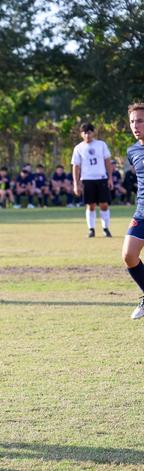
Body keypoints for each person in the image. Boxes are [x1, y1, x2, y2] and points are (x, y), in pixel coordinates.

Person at [121, 103, 144, 318]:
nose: (135, 125)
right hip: (142, 211)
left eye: (140, 121)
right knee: (129, 255)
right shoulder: (132, 151)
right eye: (132, 122)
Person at [71, 122, 113, 237]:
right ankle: (91, 229)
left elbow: (107, 161)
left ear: (93, 133)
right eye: (84, 133)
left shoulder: (101, 145)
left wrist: (110, 178)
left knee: (104, 204)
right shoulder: (78, 148)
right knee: (91, 205)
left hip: (101, 178)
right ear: (81, 134)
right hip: (87, 179)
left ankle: (106, 228)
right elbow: (76, 166)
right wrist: (76, 183)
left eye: (89, 132)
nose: (87, 135)